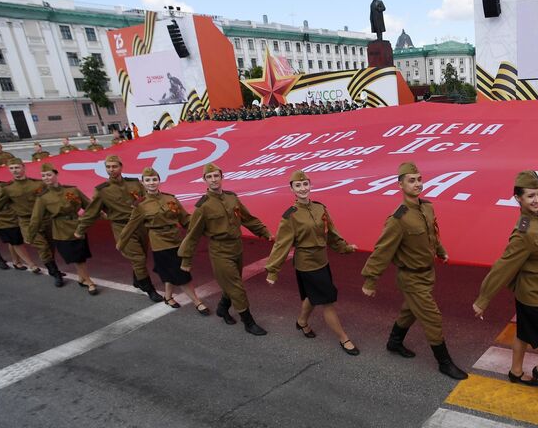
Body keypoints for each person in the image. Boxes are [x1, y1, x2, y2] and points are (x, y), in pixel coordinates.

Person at [472, 171, 538, 396]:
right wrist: (483, 299)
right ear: (517, 199)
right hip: (533, 294)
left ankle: (515, 371)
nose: (537, 199)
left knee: (523, 333)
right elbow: (504, 266)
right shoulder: (524, 232)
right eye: (530, 196)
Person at [361, 162, 467, 380]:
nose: (418, 184)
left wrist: (440, 250)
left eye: (419, 179)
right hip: (410, 277)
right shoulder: (398, 219)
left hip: (427, 273)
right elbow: (382, 250)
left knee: (409, 311)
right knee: (432, 318)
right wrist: (370, 281)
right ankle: (444, 362)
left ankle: (394, 342)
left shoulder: (427, 207)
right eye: (412, 180)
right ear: (400, 184)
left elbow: (432, 233)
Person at [265, 170, 360, 355]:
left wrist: (345, 247)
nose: (303, 188)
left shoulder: (320, 208)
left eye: (305, 184)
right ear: (291, 188)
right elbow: (281, 244)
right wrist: (272, 270)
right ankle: (344, 338)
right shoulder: (290, 216)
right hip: (306, 263)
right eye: (298, 185)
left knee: (312, 295)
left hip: (322, 261)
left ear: (311, 185)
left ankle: (301, 322)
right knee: (327, 300)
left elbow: (332, 233)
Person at [178, 163, 272, 335]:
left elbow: (248, 218)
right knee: (236, 287)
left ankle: (222, 308)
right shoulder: (203, 206)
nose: (213, 179)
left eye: (216, 176)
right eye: (209, 177)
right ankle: (248, 322)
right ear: (204, 180)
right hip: (219, 249)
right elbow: (193, 234)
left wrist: (265, 233)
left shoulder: (232, 198)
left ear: (221, 177)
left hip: (236, 247)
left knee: (232, 282)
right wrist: (186, 259)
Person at [118, 168, 208, 314]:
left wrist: (202, 226)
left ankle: (168, 296)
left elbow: (185, 219)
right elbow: (131, 226)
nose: (152, 183)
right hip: (159, 242)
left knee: (169, 271)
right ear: (143, 183)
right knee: (181, 274)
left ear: (159, 181)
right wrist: (121, 244)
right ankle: (197, 302)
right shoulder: (140, 205)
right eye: (148, 180)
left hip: (176, 239)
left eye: (154, 179)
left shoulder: (170, 199)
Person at [75, 155, 163, 302]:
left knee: (142, 255)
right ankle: (149, 289)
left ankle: (137, 280)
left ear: (121, 167)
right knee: (138, 258)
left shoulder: (134, 183)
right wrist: (80, 229)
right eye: (108, 167)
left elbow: (147, 200)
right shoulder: (102, 190)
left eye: (114, 166)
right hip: (121, 227)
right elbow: (91, 212)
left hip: (140, 225)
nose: (111, 170)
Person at [0, 158, 65, 286]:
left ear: (23, 167)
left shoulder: (38, 184)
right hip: (27, 222)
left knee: (51, 245)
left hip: (45, 219)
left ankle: (53, 266)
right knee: (42, 247)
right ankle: (55, 272)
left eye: (17, 167)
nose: (15, 170)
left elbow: (52, 196)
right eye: (11, 168)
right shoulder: (8, 189)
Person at [29, 163, 97, 295]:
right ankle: (89, 281)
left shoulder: (72, 190)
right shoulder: (43, 197)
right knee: (76, 257)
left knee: (81, 256)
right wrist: (30, 235)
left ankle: (82, 278)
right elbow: (36, 218)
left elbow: (89, 205)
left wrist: (102, 215)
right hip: (61, 230)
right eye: (43, 176)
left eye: (49, 175)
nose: (46, 178)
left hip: (78, 226)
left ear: (56, 175)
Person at [0, 162, 36, 271]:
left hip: (11, 216)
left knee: (14, 240)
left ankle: (16, 261)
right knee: (10, 240)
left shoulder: (3, 185)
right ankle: (29, 264)